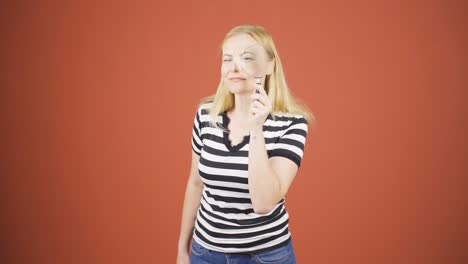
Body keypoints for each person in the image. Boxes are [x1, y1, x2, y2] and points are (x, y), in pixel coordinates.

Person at [177, 24, 315, 264]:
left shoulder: (293, 124)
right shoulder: (206, 115)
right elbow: (195, 182)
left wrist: (256, 128)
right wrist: (182, 248)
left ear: (270, 65)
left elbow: (263, 202)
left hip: (266, 257)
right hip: (205, 254)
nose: (234, 67)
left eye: (247, 58)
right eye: (227, 59)